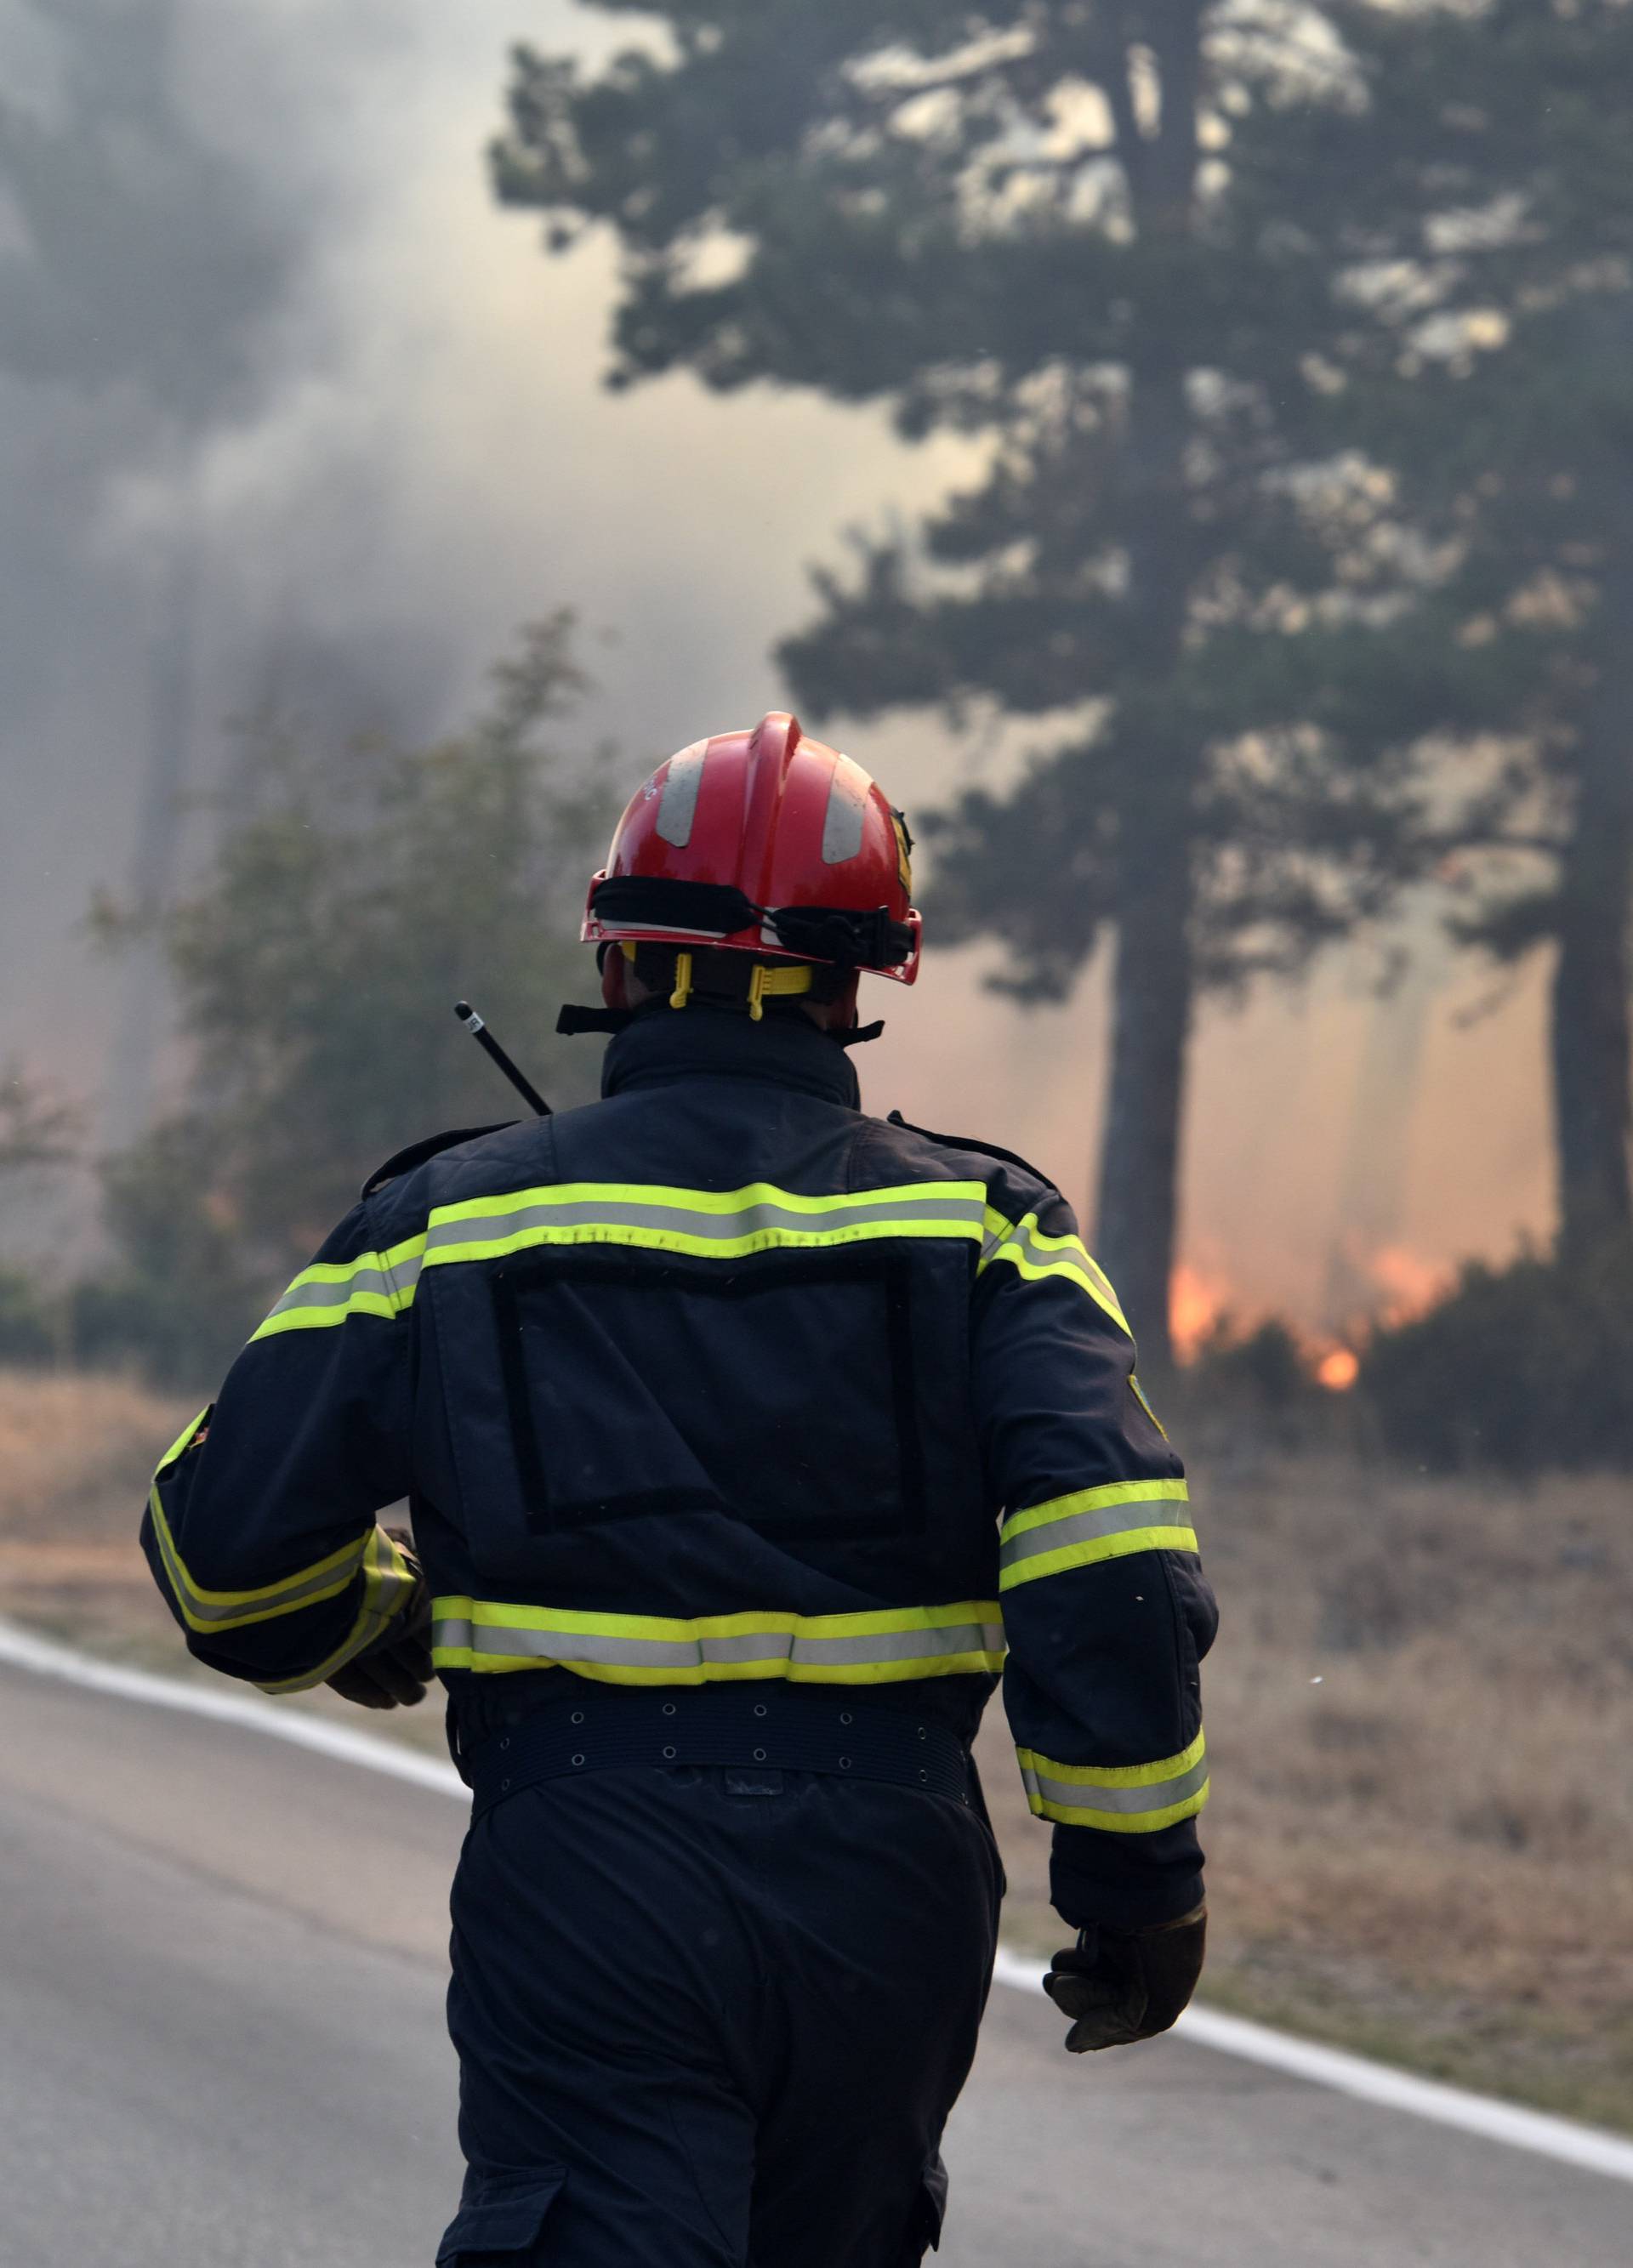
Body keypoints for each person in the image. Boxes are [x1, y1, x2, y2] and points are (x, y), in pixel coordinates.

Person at [140, 712, 1216, 2268]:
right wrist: (1138, 1881)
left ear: (622, 961)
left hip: (588, 1870)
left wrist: (378, 1615)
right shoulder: (992, 1235)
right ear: (859, 986)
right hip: (891, 1893)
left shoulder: (451, 1224)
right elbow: (1109, 1564)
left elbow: (222, 1557)